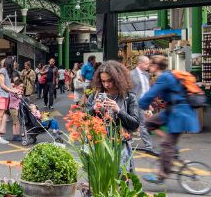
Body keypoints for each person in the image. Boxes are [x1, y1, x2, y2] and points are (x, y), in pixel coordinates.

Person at [140, 55, 201, 184]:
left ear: (155, 66)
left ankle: (162, 176)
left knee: (166, 144)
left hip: (180, 113)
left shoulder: (164, 77)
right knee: (149, 122)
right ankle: (172, 148)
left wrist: (138, 105)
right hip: (173, 111)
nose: (148, 67)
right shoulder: (166, 76)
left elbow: (151, 94)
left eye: (150, 65)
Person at [86, 60, 141, 173]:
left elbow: (135, 124)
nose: (106, 84)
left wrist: (118, 111)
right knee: (100, 182)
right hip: (99, 143)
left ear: (118, 79)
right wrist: (93, 109)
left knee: (120, 181)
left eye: (110, 81)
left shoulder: (129, 97)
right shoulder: (95, 95)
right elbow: (83, 118)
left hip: (119, 145)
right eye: (103, 81)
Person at [130, 56, 154, 150]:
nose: (148, 66)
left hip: (144, 103)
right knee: (139, 123)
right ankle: (148, 145)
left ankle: (149, 145)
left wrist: (150, 103)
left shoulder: (146, 75)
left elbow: (148, 89)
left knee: (144, 124)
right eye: (146, 64)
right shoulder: (131, 74)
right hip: (135, 102)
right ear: (140, 63)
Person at [8, 73, 23, 141]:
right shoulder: (14, 91)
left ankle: (15, 135)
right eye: (20, 86)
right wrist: (18, 93)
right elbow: (15, 94)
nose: (21, 88)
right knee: (17, 122)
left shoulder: (17, 91)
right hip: (14, 108)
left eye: (22, 87)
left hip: (14, 108)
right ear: (16, 86)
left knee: (15, 122)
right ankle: (17, 135)